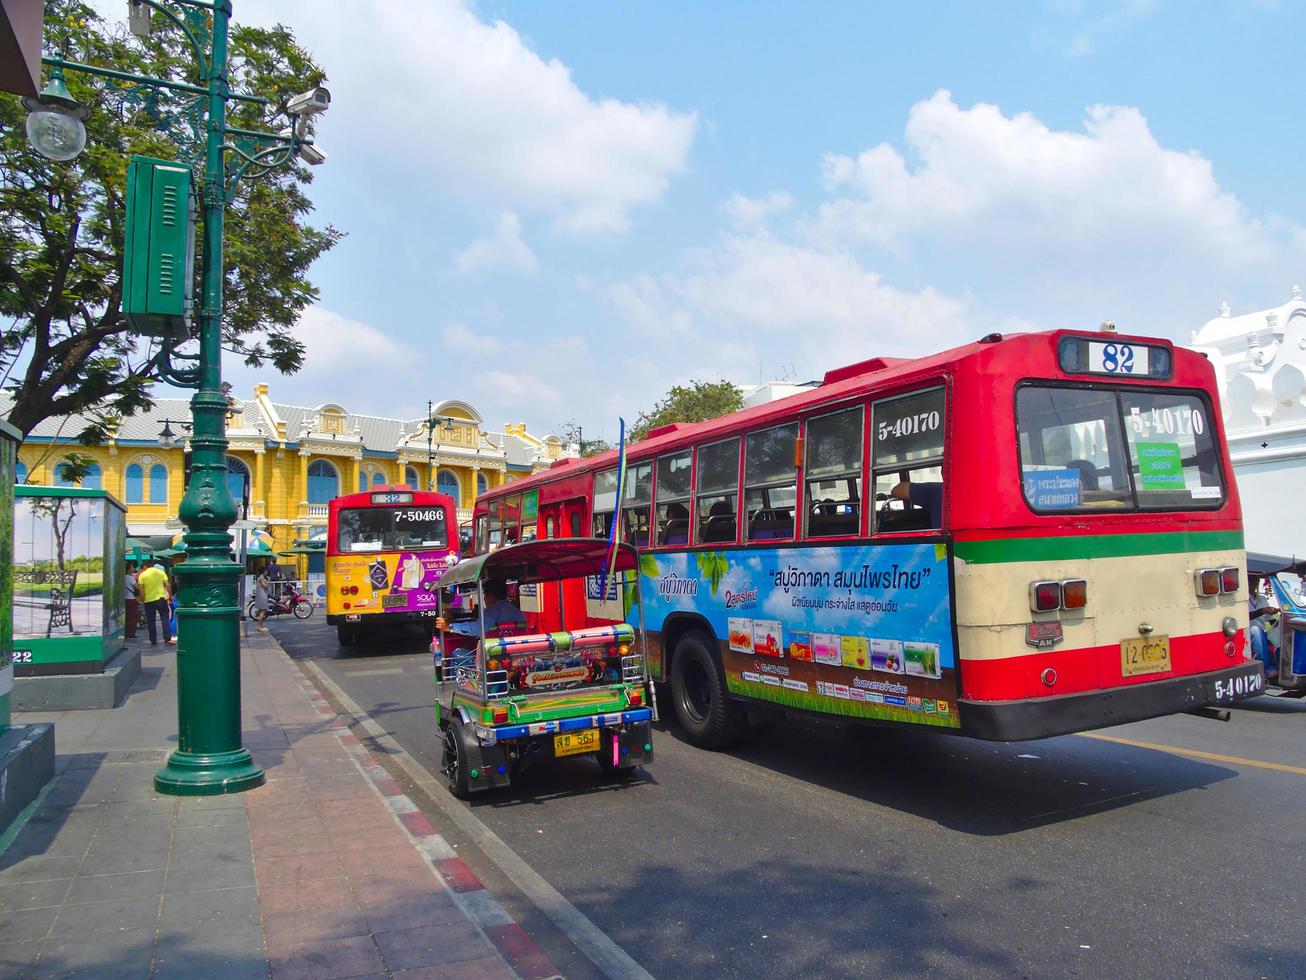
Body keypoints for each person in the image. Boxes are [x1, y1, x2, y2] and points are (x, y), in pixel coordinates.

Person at [435, 580, 525, 637]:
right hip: (517, 650)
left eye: (485, 595)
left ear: (490, 595)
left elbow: (478, 628)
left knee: (458, 653)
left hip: (493, 655)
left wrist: (450, 627)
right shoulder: (516, 611)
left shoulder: (492, 611)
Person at [137, 557, 174, 646]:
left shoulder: (142, 575)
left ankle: (153, 640)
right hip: (161, 599)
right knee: (165, 619)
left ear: (145, 566)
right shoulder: (160, 572)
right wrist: (170, 596)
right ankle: (167, 638)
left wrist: (143, 599)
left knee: (151, 621)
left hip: (149, 601)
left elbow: (141, 590)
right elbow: (167, 585)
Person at [1249, 584, 1278, 682]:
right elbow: (1245, 616)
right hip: (1247, 632)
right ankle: (1266, 668)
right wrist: (1263, 611)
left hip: (1262, 631)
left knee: (1279, 632)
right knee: (1255, 630)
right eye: (1251, 580)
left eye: (1255, 580)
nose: (1253, 583)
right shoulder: (1242, 599)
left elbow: (1271, 620)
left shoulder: (1262, 599)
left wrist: (1276, 630)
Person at [124, 562, 140, 639]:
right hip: (131, 599)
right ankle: (131, 633)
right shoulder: (130, 578)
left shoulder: (122, 577)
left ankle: (126, 632)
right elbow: (137, 587)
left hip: (125, 599)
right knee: (133, 617)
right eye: (132, 567)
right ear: (129, 569)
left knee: (127, 616)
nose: (133, 569)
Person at [254, 563, 271, 632]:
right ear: (264, 571)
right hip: (262, 596)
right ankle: (259, 625)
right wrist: (268, 581)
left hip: (262, 596)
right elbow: (265, 586)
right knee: (263, 610)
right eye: (266, 571)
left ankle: (261, 625)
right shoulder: (261, 578)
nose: (267, 572)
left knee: (262, 610)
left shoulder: (262, 578)